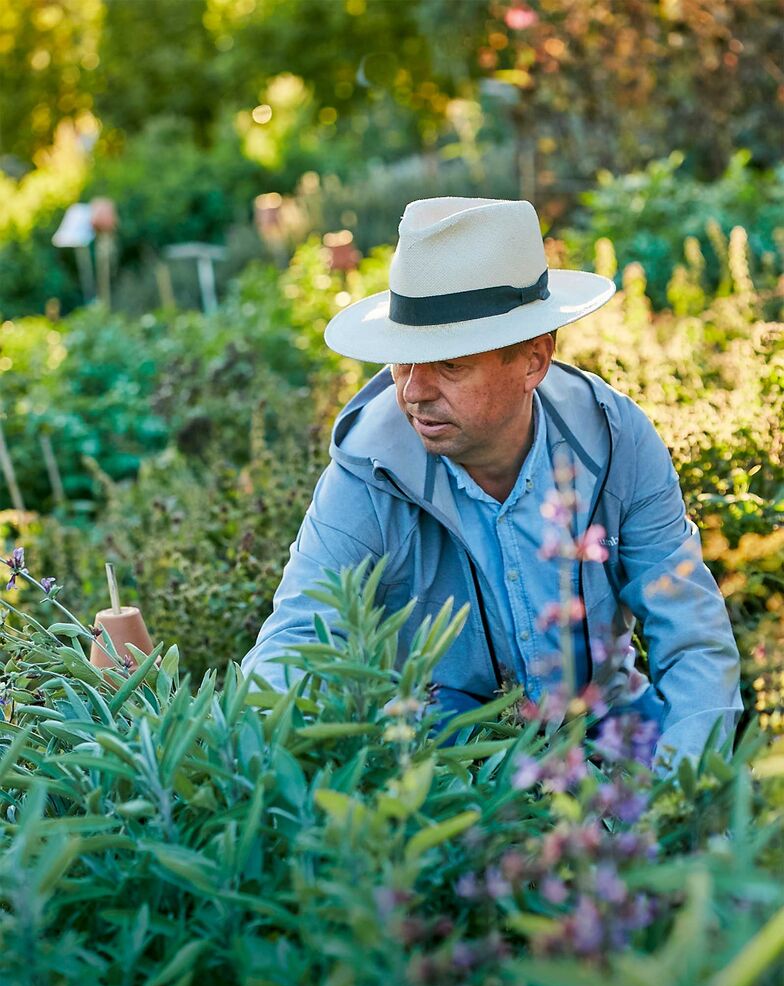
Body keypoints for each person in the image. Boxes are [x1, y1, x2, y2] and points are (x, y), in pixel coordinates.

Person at [240, 196, 742, 769]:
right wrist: (246, 754)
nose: (412, 392)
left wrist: (682, 788)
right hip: (453, 752)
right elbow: (298, 637)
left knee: (728, 829)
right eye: (403, 360)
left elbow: (693, 634)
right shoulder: (368, 470)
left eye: (449, 365)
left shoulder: (614, 438)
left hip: (609, 723)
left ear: (534, 358)